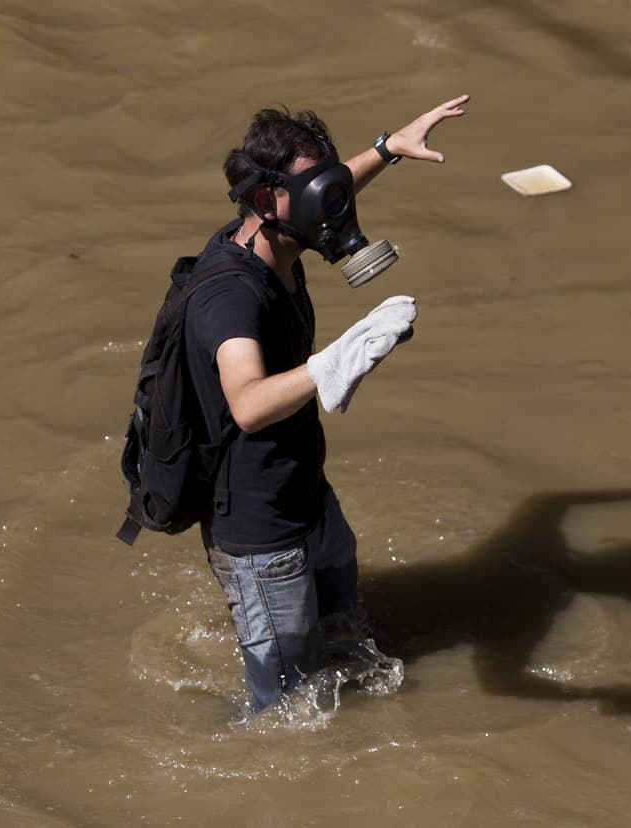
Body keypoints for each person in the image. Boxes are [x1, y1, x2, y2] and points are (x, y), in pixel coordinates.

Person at [184, 95, 468, 712]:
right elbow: (249, 406)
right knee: (289, 713)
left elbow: (321, 187)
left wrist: (390, 149)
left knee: (347, 639)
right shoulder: (230, 298)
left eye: (332, 184)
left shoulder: (280, 237)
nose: (332, 203)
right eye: (315, 191)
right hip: (262, 535)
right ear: (267, 202)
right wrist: (334, 362)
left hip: (307, 497)